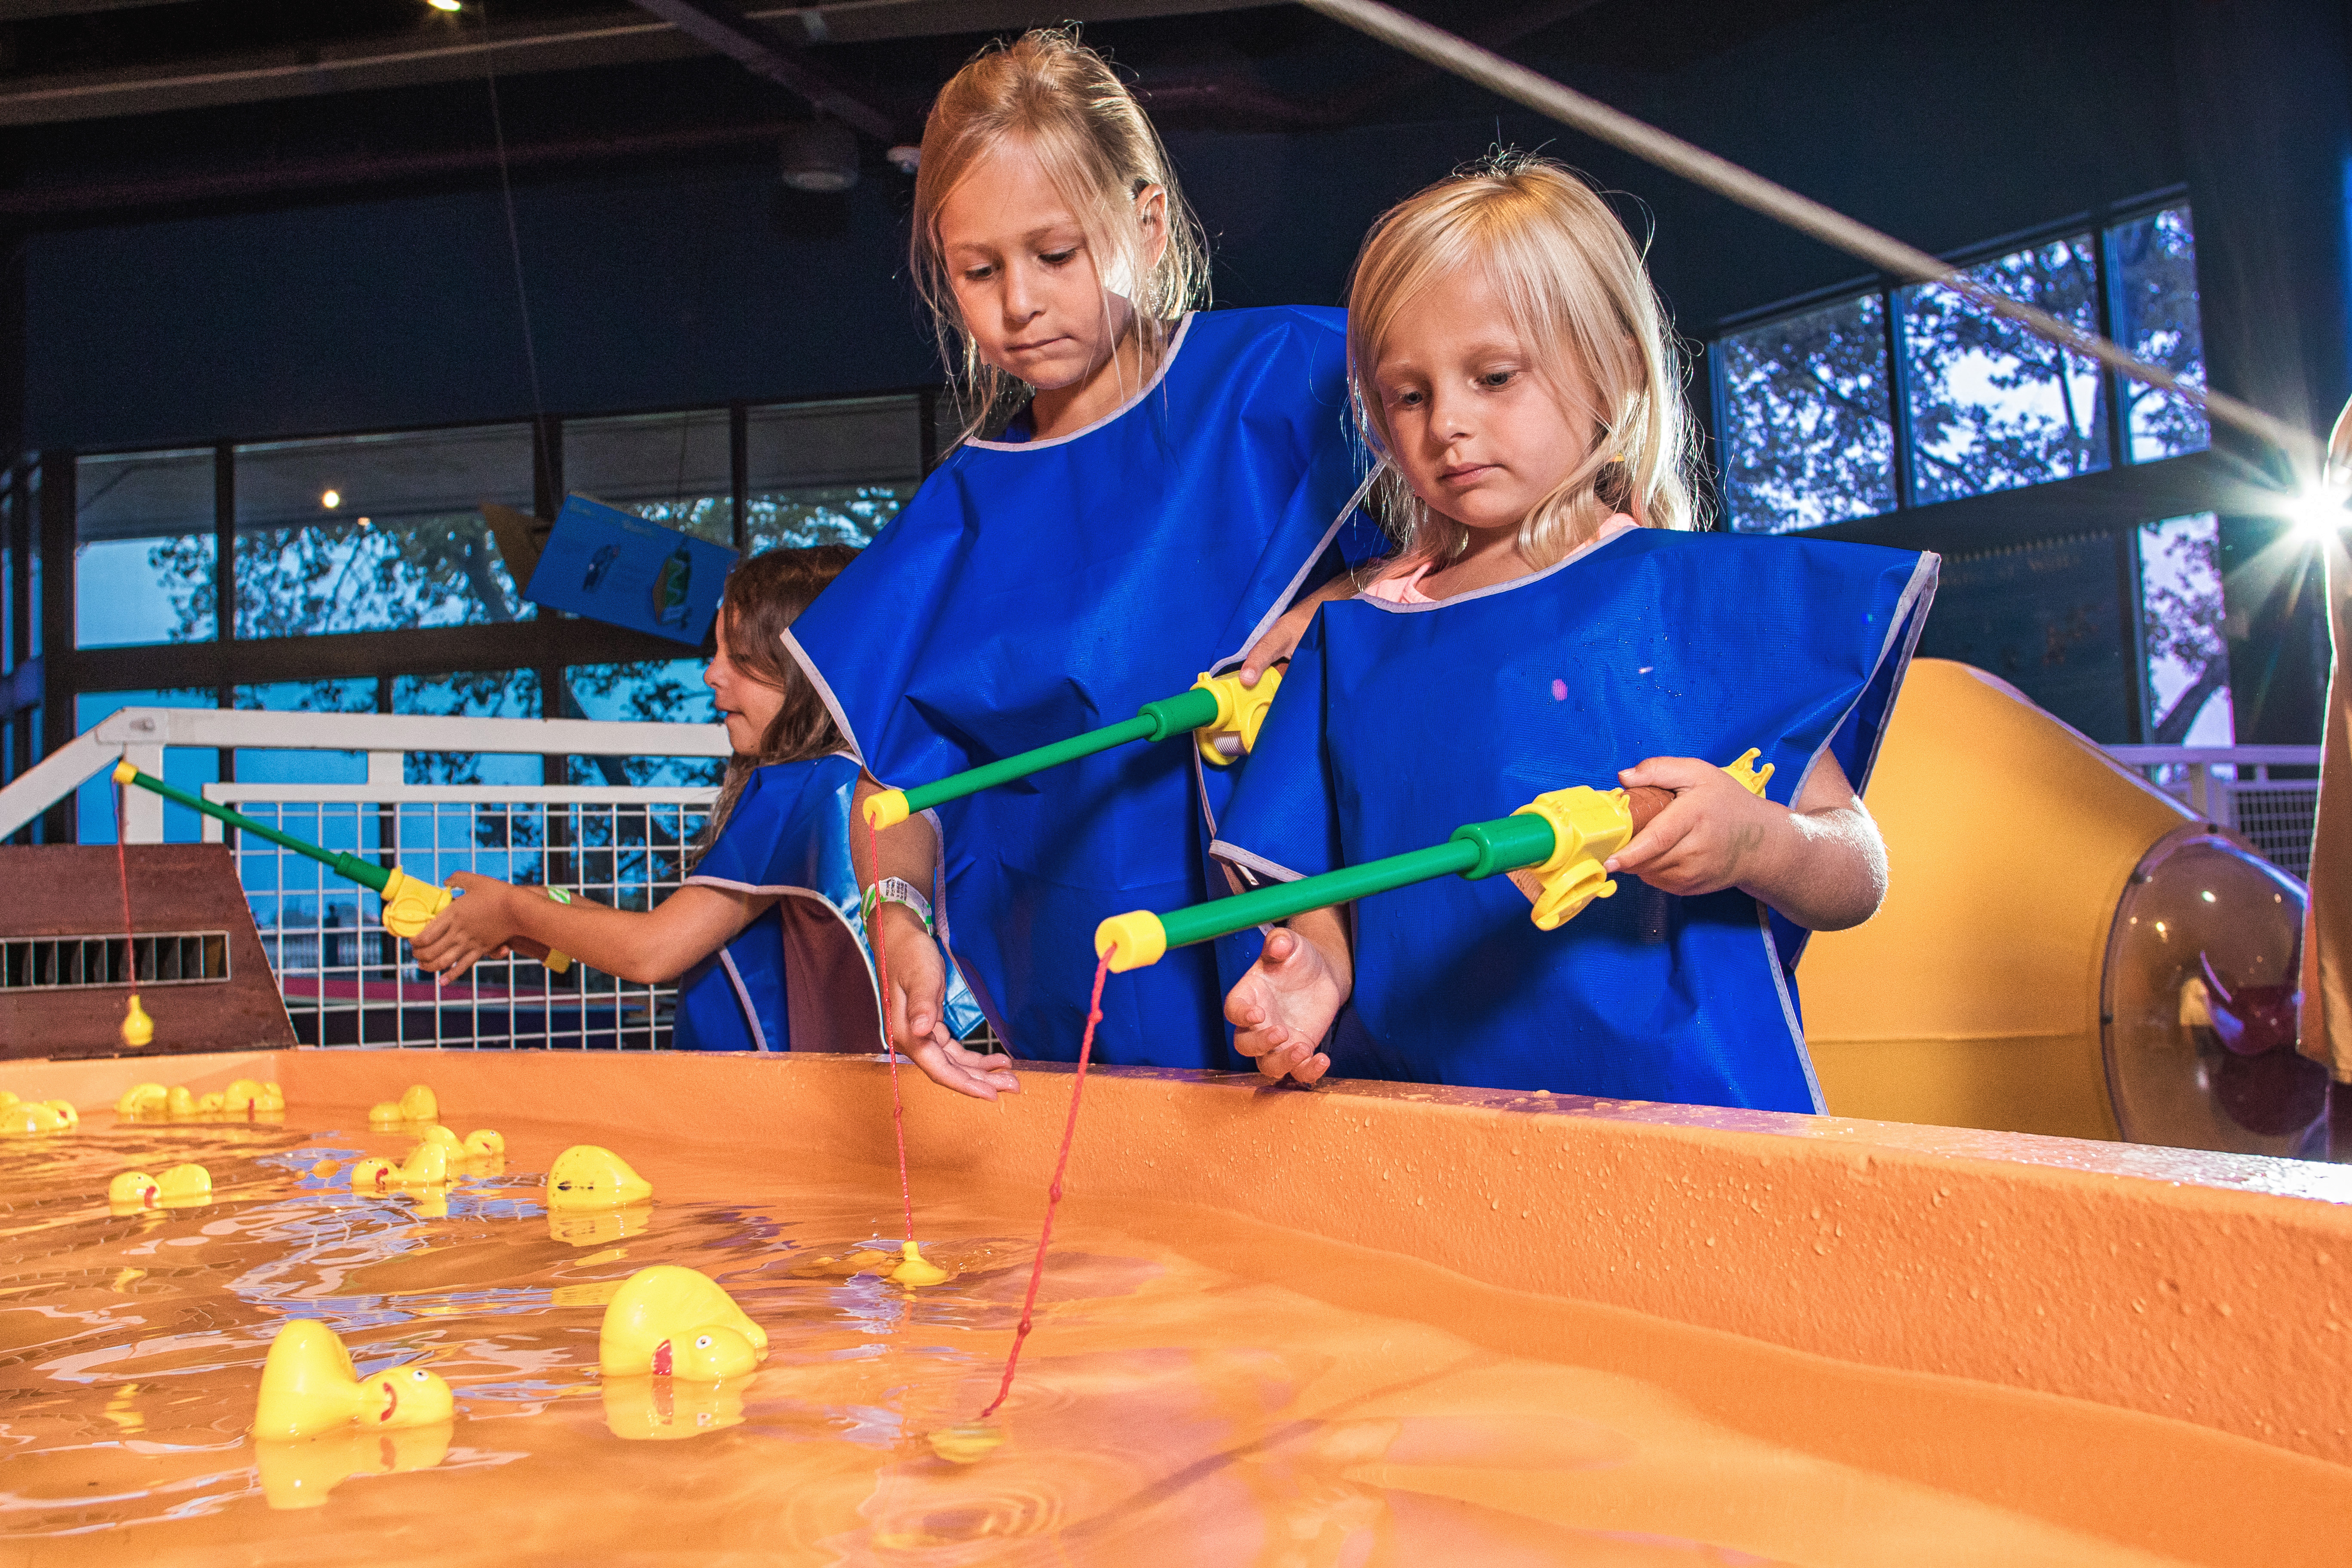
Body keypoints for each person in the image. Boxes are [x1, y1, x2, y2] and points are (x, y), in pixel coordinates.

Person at [1213, 156, 1939, 1110]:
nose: (1450, 427)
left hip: (1688, 1140)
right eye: (1411, 394)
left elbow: (1857, 866)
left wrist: (1759, 844)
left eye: (1494, 376)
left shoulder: (1694, 607)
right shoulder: (1356, 638)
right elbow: (1321, 885)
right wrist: (1316, 969)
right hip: (1427, 1137)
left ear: (1615, 368)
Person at [785, 29, 1379, 1096]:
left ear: (1146, 226)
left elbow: (1499, 548)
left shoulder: (1298, 378)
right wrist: (901, 925)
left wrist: (1347, 597)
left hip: (1331, 991)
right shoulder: (960, 514)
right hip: (1079, 1025)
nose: (1019, 302)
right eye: (978, 270)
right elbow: (896, 792)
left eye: (1055, 255)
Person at [411, 547, 996, 1066]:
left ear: (811, 671)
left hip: (779, 1111)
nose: (713, 675)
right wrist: (549, 915)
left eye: (739, 657)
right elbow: (696, 933)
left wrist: (516, 911)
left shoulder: (802, 791)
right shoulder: (860, 782)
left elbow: (654, 951)